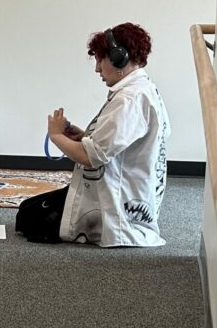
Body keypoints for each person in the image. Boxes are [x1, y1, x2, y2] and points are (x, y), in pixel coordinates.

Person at [45, 22, 171, 247]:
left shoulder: (128, 99)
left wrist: (56, 136)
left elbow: (90, 158)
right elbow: (121, 145)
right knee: (33, 210)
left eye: (100, 60)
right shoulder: (144, 89)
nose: (97, 69)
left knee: (30, 218)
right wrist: (83, 136)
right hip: (130, 192)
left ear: (118, 57)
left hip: (116, 209)